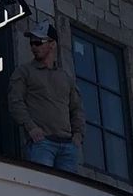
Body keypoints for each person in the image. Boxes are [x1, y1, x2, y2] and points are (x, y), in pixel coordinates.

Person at [9, 22, 84, 172]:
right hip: (42, 143)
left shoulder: (65, 77)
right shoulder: (24, 72)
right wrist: (31, 128)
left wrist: (78, 135)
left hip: (67, 146)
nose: (33, 47)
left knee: (66, 192)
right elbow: (15, 101)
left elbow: (76, 108)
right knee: (43, 188)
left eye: (38, 42)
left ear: (52, 44)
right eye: (32, 43)